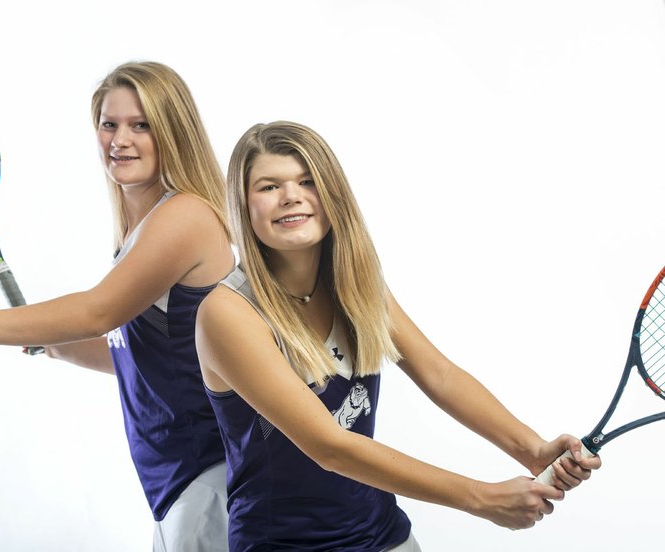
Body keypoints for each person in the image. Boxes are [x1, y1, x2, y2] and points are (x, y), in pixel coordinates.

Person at [194, 120, 601, 551]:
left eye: (307, 180)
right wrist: (481, 498)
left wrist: (532, 449)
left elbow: (439, 375)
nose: (291, 195)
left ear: (332, 194)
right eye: (269, 186)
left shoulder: (354, 283)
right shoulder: (226, 313)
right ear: (243, 205)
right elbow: (328, 446)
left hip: (383, 534)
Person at [0, 61, 234, 552]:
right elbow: (132, 351)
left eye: (141, 125)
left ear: (174, 130)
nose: (120, 139)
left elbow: (97, 311)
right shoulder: (140, 231)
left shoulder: (186, 215)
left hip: (213, 472)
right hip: (178, 482)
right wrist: (52, 344)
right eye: (109, 124)